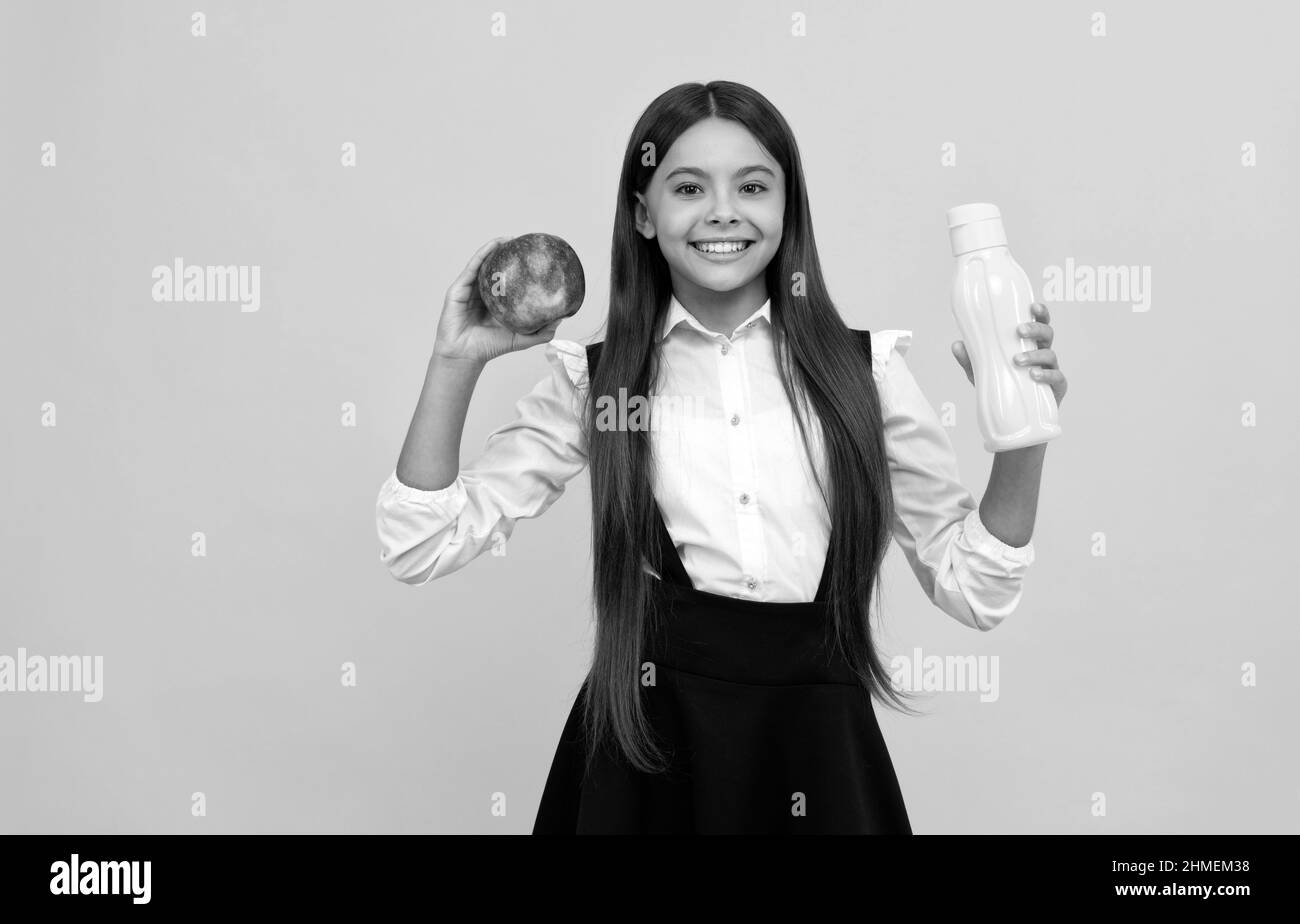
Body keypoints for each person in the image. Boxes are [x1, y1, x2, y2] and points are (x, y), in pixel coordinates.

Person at [375, 80, 1066, 834]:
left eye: (753, 186)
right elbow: (420, 541)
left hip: (817, 758)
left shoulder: (864, 375)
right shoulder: (602, 384)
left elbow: (976, 591)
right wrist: (456, 361)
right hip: (646, 765)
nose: (722, 211)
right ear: (644, 214)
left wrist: (1024, 433)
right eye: (687, 187)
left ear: (786, 208)